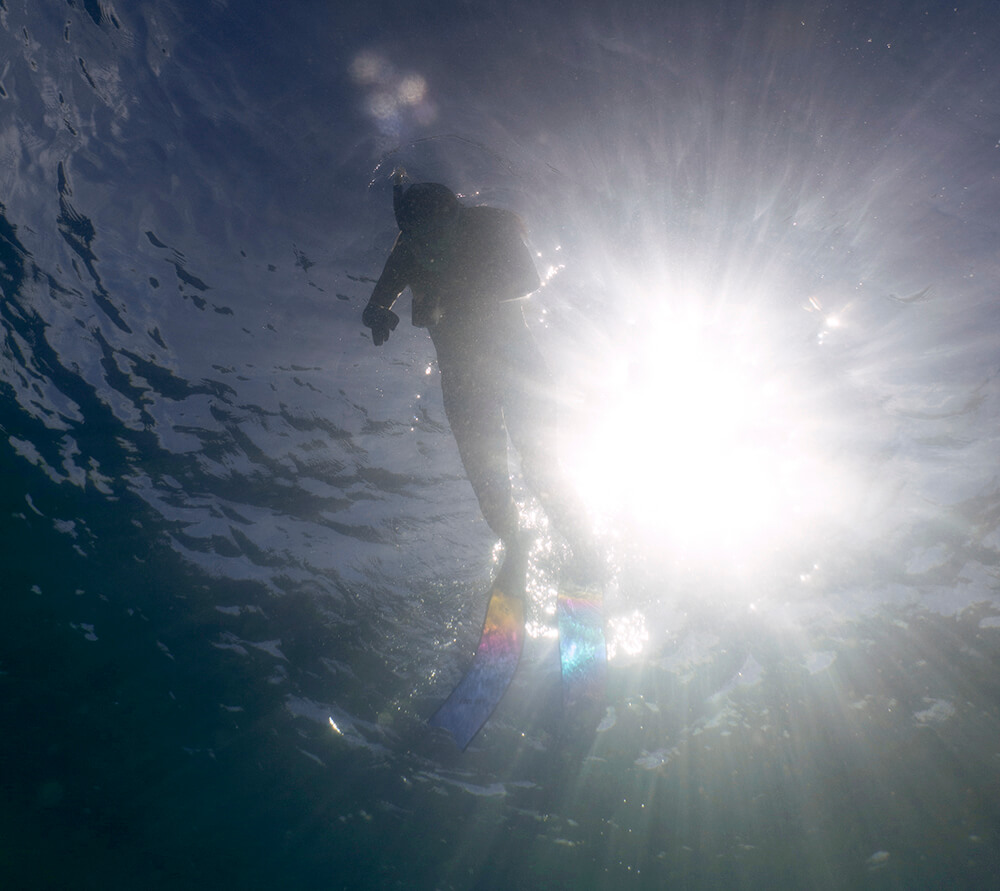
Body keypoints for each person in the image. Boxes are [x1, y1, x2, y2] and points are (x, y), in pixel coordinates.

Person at [362, 170, 598, 581]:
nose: (428, 245)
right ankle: (514, 540)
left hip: (518, 366)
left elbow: (529, 278)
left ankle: (583, 545)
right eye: (419, 235)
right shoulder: (407, 248)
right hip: (463, 377)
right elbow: (377, 298)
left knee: (541, 464)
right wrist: (376, 315)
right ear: (409, 231)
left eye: (436, 231)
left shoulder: (488, 227)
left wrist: (453, 293)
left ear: (456, 216)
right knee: (484, 473)